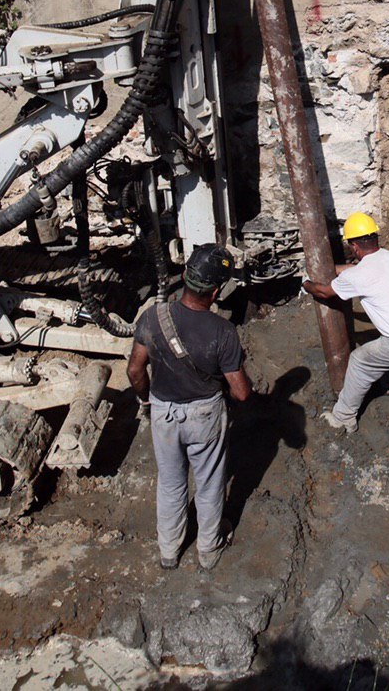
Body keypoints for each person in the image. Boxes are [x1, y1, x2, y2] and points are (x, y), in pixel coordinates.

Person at [127, 244, 252, 571]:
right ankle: (208, 551)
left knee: (170, 482)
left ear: (184, 276)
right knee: (210, 482)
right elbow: (241, 393)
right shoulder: (223, 332)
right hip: (204, 415)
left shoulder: (154, 317)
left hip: (164, 412)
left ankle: (169, 550)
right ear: (215, 292)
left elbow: (135, 370)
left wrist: (145, 400)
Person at [303, 212, 389, 433]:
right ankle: (387, 384)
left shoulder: (358, 276)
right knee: (384, 343)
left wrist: (306, 282)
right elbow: (357, 271)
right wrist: (336, 269)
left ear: (354, 247)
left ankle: (343, 417)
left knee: (360, 360)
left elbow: (324, 292)